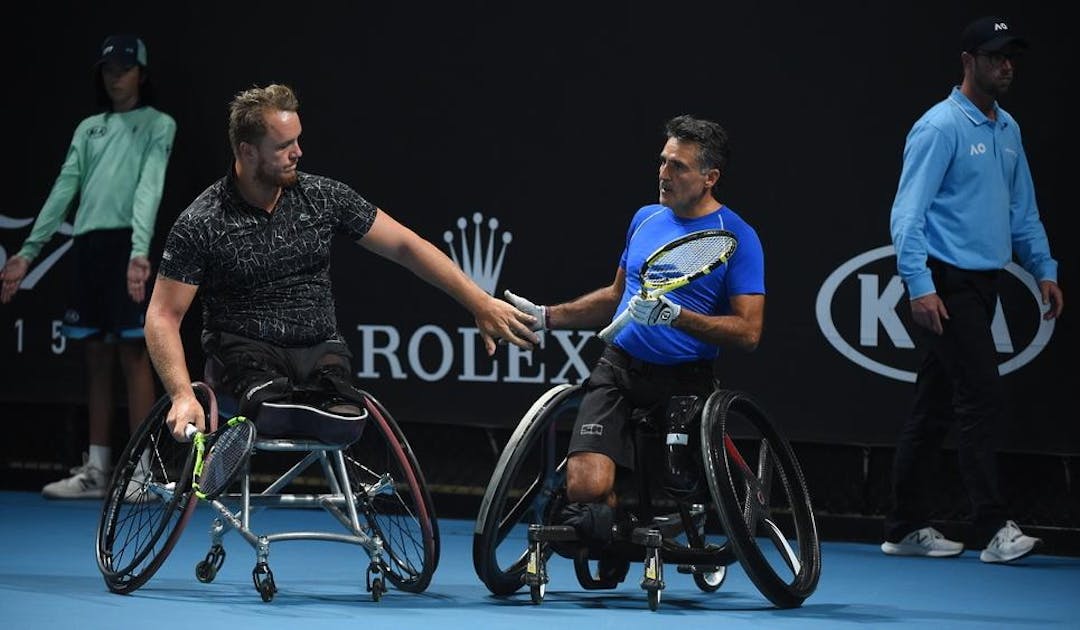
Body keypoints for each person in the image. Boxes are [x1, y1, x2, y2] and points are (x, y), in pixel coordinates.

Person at [144, 83, 539, 443]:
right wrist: (181, 396)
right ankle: (231, 449)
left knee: (347, 422)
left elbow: (406, 246)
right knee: (271, 410)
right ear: (247, 151)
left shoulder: (324, 197)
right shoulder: (202, 222)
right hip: (244, 357)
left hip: (319, 353)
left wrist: (480, 302)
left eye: (298, 140)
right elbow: (162, 316)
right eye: (284, 145)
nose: (298, 152)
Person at [503, 114, 764, 575]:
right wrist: (545, 317)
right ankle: (612, 536)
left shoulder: (738, 237)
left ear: (710, 177)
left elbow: (748, 332)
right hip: (619, 367)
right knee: (584, 487)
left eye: (679, 167)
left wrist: (678, 317)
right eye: (662, 162)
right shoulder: (645, 219)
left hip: (685, 380)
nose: (664, 173)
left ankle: (661, 522)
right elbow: (613, 297)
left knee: (682, 484)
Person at [884, 16, 1064, 564]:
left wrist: (1044, 269)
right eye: (994, 56)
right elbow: (906, 215)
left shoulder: (1007, 130)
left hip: (983, 285)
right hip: (945, 283)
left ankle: (904, 526)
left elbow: (1022, 211)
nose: (1005, 65)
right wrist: (919, 285)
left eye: (1010, 57)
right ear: (968, 62)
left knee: (934, 405)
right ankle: (991, 528)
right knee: (981, 397)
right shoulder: (939, 127)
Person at [0, 35, 176, 499]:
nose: (115, 76)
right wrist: (27, 252)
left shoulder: (159, 125)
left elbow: (149, 188)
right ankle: (98, 470)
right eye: (108, 69)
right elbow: (64, 189)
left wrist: (140, 251)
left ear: (141, 72)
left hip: (127, 245)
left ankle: (141, 474)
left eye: (123, 68)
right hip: (88, 246)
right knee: (96, 357)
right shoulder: (88, 128)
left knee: (135, 355)